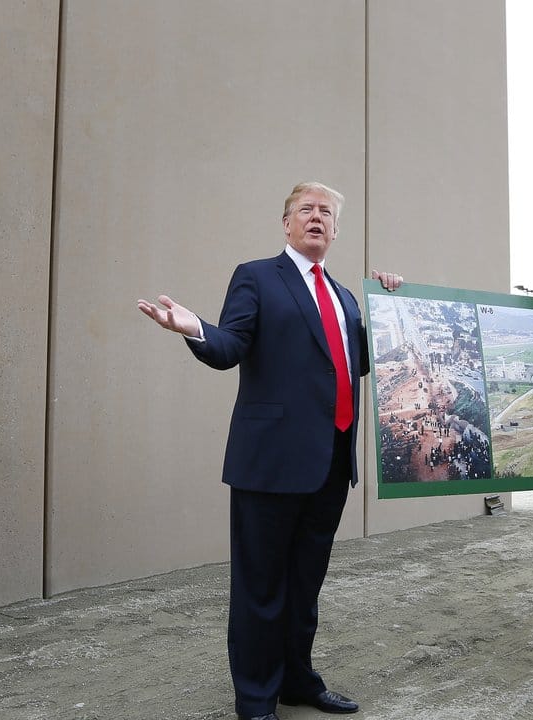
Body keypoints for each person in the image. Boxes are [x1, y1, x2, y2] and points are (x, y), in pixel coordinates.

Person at [137, 181, 401, 720]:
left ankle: (297, 681)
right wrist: (194, 329)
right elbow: (231, 346)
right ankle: (256, 700)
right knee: (261, 590)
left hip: (330, 463)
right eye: (306, 209)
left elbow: (360, 364)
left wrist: (396, 310)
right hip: (271, 462)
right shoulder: (257, 276)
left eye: (326, 212)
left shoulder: (347, 297)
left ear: (336, 229)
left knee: (304, 586)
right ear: (286, 223)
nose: (316, 217)